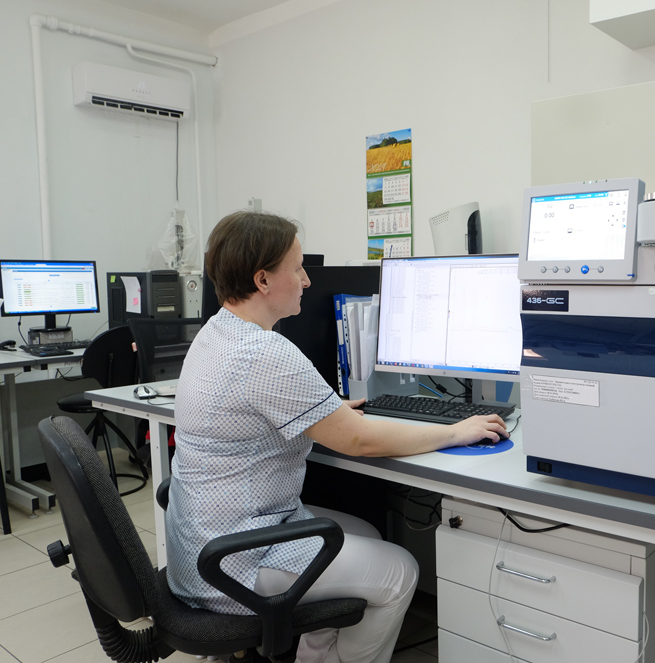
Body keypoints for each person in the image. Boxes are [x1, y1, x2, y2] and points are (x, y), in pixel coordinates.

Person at [165, 211, 508, 663]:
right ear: (263, 280)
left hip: (203, 545)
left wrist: (325, 411)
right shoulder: (265, 351)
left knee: (365, 531)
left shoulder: (216, 333)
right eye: (297, 269)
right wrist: (454, 431)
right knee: (400, 571)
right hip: (235, 564)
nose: (307, 280)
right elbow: (359, 441)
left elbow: (257, 406)